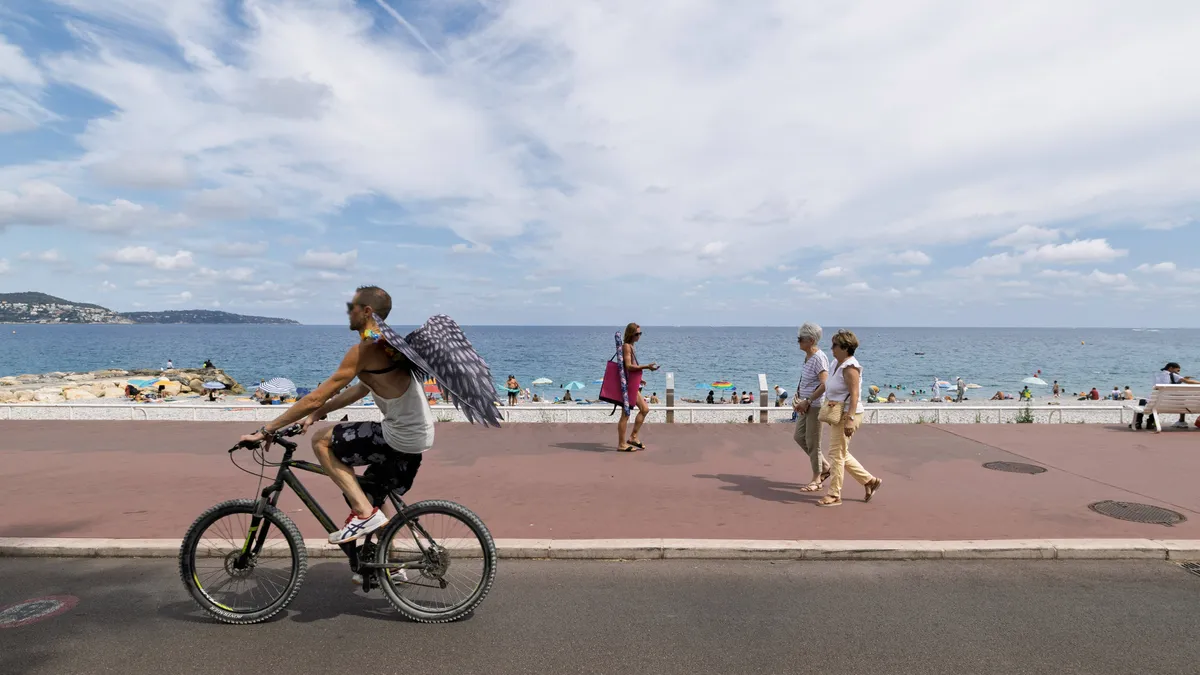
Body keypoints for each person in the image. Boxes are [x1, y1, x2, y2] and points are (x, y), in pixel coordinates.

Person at [237, 285, 502, 546]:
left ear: (366, 311)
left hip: (399, 436)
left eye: (350, 307)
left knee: (321, 441)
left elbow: (317, 395)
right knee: (367, 492)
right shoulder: (388, 349)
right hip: (417, 438)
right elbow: (359, 389)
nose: (347, 312)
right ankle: (392, 563)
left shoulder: (364, 351)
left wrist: (267, 430)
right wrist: (319, 413)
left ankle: (363, 515)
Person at [817, 329, 881, 507]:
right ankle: (870, 481)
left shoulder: (850, 368)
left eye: (835, 345)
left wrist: (850, 419)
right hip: (837, 412)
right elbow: (827, 386)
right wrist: (810, 400)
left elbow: (855, 395)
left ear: (845, 348)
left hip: (848, 414)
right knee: (840, 453)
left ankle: (834, 494)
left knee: (836, 454)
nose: (832, 349)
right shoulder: (835, 363)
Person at [792, 322, 832, 493]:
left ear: (811, 340)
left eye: (801, 339)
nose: (798, 342)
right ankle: (824, 466)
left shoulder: (819, 358)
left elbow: (825, 384)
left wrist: (807, 400)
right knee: (799, 437)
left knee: (813, 442)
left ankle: (817, 479)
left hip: (814, 405)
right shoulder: (808, 357)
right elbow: (807, 380)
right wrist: (798, 395)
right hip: (805, 404)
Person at [616, 323, 658, 452]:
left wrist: (639, 378)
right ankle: (621, 444)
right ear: (630, 334)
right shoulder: (627, 347)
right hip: (628, 386)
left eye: (640, 333)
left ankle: (633, 436)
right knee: (625, 415)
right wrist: (646, 367)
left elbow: (630, 367)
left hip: (633, 384)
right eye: (637, 334)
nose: (639, 336)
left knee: (644, 409)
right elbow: (628, 366)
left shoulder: (632, 347)